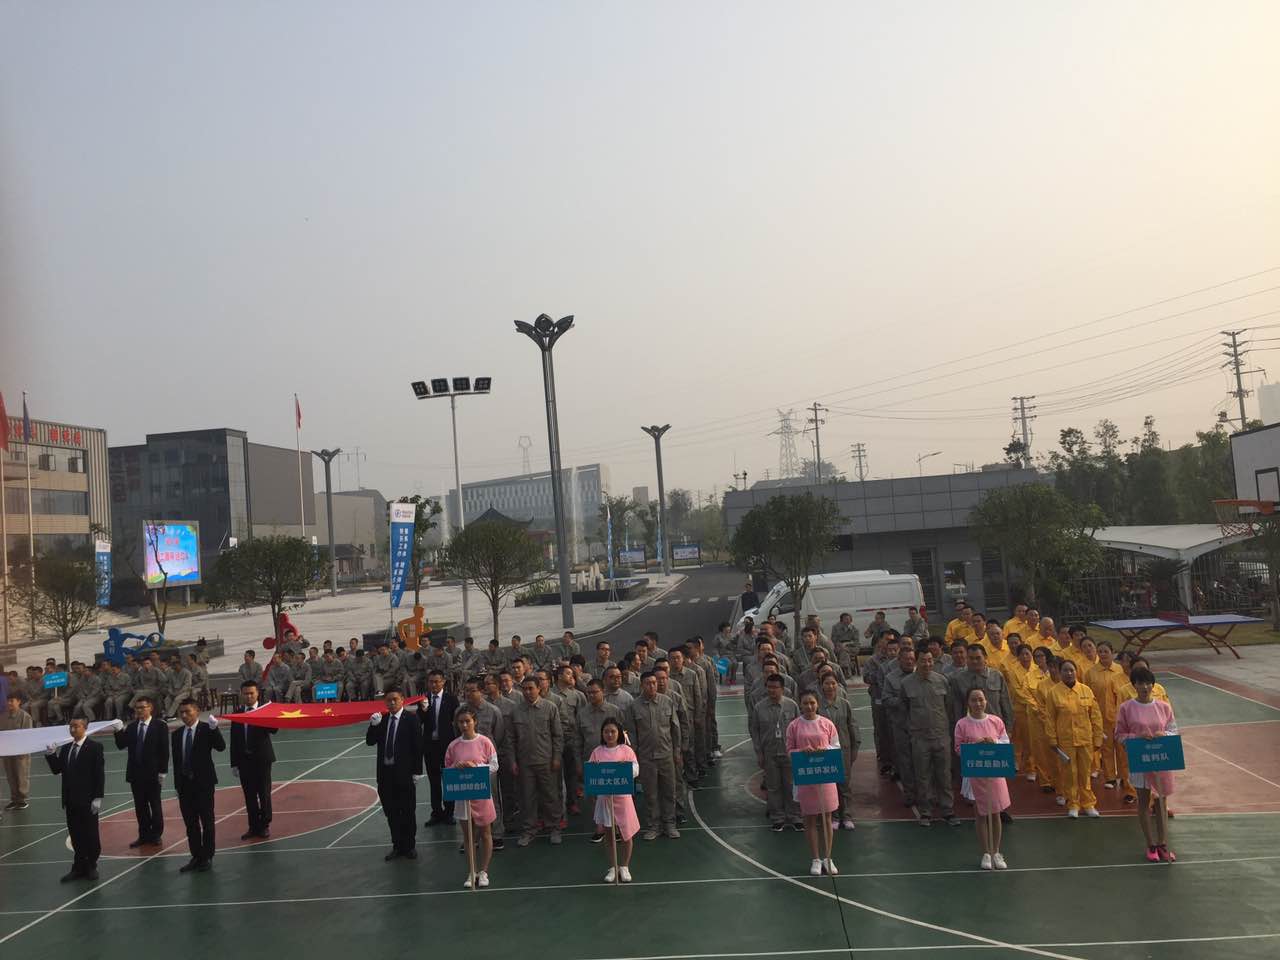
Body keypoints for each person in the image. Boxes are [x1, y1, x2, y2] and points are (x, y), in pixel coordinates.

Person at [1114, 666, 1179, 862]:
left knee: (1161, 803)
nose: (1144, 687)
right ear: (1134, 685)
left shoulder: (1164, 707)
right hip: (1141, 759)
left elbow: (1173, 730)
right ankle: (1151, 845)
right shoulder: (1126, 708)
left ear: (1153, 685)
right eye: (1140, 683)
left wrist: (1163, 734)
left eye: (1148, 683)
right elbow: (1119, 735)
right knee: (1143, 802)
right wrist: (1136, 737)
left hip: (1161, 760)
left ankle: (1163, 844)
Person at [45, 716, 109, 882]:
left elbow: (99, 774)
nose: (72, 729)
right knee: (76, 834)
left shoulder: (95, 747)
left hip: (87, 800)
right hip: (70, 800)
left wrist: (98, 797)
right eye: (71, 726)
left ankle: (91, 865)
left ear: (85, 727)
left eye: (76, 726)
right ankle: (78, 867)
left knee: (90, 834)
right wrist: (51, 755)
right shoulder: (67, 748)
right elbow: (57, 769)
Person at [954, 688, 1011, 870]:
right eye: (974, 700)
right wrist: (974, 746)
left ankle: (996, 852)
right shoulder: (962, 724)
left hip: (994, 772)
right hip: (975, 773)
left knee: (995, 813)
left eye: (981, 699)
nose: (978, 703)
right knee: (980, 814)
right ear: (968, 703)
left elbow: (1005, 742)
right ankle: (986, 852)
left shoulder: (996, 721)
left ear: (986, 701)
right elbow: (958, 748)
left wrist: (994, 743)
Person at [786, 691, 841, 876]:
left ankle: (828, 857)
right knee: (809, 818)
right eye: (805, 703)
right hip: (806, 778)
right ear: (800, 705)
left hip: (825, 776)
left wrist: (824, 749)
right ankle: (816, 859)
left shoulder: (827, 724)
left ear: (817, 704)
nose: (809, 706)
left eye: (812, 703)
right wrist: (802, 752)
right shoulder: (794, 726)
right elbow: (789, 750)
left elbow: (836, 746)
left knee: (827, 818)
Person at [367, 688, 424, 860]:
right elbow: (370, 741)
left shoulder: (411, 719)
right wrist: (373, 726)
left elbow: (417, 746)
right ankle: (397, 845)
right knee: (391, 812)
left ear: (402, 700)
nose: (392, 703)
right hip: (385, 774)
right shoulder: (382, 720)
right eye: (389, 700)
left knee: (407, 811)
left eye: (395, 699)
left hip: (404, 774)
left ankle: (409, 846)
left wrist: (417, 771)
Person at [445, 707, 499, 888]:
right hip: (463, 795)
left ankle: (484, 871)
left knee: (485, 833)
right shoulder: (453, 746)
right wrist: (456, 767)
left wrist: (476, 767)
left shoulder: (485, 742)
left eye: (467, 721)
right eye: (461, 722)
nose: (464, 725)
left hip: (481, 793)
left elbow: (494, 765)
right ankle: (472, 870)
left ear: (475, 722)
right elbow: (447, 768)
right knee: (468, 836)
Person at [902, 649, 956, 826]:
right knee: (922, 776)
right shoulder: (907, 683)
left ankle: (948, 810)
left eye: (930, 660)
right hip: (919, 738)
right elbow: (904, 709)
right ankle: (926, 811)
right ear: (916, 662)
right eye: (923, 661)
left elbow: (948, 706)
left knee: (944, 775)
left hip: (941, 736)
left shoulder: (942, 680)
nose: (927, 664)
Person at [1044, 660, 1103, 818]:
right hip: (1066, 740)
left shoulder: (1086, 690)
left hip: (1085, 739)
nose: (1069, 673)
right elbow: (1049, 718)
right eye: (1065, 670)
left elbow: (1096, 716)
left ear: (1076, 671)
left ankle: (1088, 804)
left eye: (1071, 670)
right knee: (1070, 774)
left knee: (1085, 773)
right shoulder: (1053, 693)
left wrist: (1098, 738)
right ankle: (1073, 804)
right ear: (1060, 672)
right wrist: (1052, 739)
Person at [172, 700, 225, 872]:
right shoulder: (176, 734)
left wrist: (214, 729)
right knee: (191, 824)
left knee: (207, 823)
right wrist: (177, 785)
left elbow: (221, 747)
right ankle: (196, 855)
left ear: (197, 711)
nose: (184, 715)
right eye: (181, 712)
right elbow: (177, 762)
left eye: (187, 711)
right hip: (184, 786)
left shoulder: (206, 729)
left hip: (203, 784)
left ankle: (207, 856)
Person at [627, 671, 681, 840]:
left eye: (654, 683)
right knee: (650, 794)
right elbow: (632, 734)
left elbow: (675, 728)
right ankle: (653, 826)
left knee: (669, 791)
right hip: (646, 757)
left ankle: (670, 824)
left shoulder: (667, 701)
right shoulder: (634, 706)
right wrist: (635, 756)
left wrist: (677, 751)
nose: (652, 686)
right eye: (648, 683)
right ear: (642, 685)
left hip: (666, 755)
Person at [512, 674, 564, 847]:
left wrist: (556, 757)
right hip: (525, 762)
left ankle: (554, 827)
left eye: (531, 688)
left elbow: (557, 736)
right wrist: (513, 761)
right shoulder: (516, 711)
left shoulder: (550, 708)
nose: (527, 692)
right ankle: (529, 830)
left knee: (550, 796)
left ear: (539, 689)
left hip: (546, 761)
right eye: (524, 689)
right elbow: (511, 739)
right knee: (527, 798)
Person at [589, 718, 641, 883]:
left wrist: (625, 768)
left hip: (623, 798)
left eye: (613, 731)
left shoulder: (626, 750)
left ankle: (624, 866)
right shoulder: (597, 751)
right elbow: (591, 771)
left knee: (626, 834)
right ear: (602, 734)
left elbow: (636, 769)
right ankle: (613, 866)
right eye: (606, 732)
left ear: (619, 733)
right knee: (609, 834)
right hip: (605, 799)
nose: (609, 734)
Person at [113, 695, 168, 846]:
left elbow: (164, 750)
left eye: (142, 707)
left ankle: (156, 834)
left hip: (153, 773)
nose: (139, 710)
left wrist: (163, 771)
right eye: (137, 708)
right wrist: (118, 730)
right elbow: (121, 745)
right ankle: (143, 835)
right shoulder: (132, 727)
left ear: (150, 708)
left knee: (155, 805)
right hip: (136, 774)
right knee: (140, 806)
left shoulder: (160, 726)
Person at [750, 673, 801, 831]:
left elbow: (799, 728)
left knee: (791, 785)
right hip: (769, 753)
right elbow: (755, 731)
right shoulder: (759, 708)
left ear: (782, 689)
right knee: (773, 787)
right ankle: (778, 817)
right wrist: (759, 753)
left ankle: (795, 816)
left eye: (775, 687)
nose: (772, 690)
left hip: (789, 752)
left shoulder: (792, 706)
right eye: (769, 687)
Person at [1086, 641, 1135, 802]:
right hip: (1101, 717)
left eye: (1106, 651)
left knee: (1123, 751)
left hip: (1120, 718)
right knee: (1106, 749)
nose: (1102, 654)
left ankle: (1125, 778)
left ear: (1112, 652)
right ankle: (1110, 777)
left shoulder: (1121, 671)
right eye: (1100, 651)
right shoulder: (1091, 672)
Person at [230, 680, 277, 840]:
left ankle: (264, 825)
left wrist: (268, 714)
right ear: (241, 694)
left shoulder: (264, 710)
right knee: (249, 796)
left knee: (264, 794)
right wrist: (234, 763)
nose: (248, 696)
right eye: (245, 693)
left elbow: (274, 729)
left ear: (257, 694)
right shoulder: (238, 713)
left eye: (251, 693)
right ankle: (253, 826)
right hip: (244, 761)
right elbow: (234, 739)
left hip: (262, 760)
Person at [817, 674, 859, 830]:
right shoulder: (817, 706)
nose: (830, 686)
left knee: (844, 783)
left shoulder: (844, 704)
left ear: (837, 685)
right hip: (825, 751)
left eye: (833, 683)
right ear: (821, 686)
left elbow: (852, 726)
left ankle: (846, 815)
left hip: (843, 749)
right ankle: (833, 816)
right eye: (827, 683)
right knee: (830, 784)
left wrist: (855, 747)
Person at [418, 670, 459, 827]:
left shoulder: (451, 699)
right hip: (430, 746)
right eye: (431, 682)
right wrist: (423, 710)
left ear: (443, 682)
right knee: (433, 781)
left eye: (437, 681)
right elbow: (419, 721)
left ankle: (449, 812)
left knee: (448, 779)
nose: (434, 685)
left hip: (447, 746)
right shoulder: (423, 699)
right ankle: (436, 812)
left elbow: (456, 721)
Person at [1, 692, 33, 809]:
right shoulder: (3, 717)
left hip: (21, 753)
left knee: (21, 776)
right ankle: (14, 799)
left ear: (19, 702)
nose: (9, 703)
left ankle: (21, 800)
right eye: (8, 701)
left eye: (12, 701)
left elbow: (28, 735)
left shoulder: (25, 716)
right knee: (10, 776)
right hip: (7, 752)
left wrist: (22, 750)